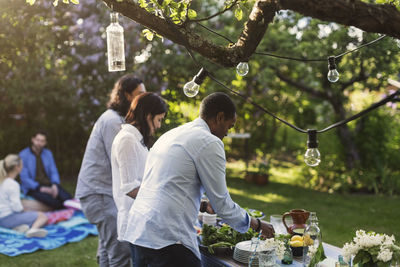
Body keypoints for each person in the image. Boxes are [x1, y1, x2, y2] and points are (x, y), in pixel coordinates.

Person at [126, 92, 275, 267]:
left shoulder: (171, 134)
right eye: (229, 126)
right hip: (168, 240)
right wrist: (256, 224)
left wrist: (203, 203)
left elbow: (166, 185)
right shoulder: (209, 142)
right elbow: (222, 204)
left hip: (138, 232)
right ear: (219, 117)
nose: (227, 133)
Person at [75, 74, 146, 267]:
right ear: (126, 95)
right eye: (139, 94)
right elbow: (125, 162)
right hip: (99, 194)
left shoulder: (118, 120)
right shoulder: (113, 122)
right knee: (120, 253)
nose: (143, 98)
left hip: (102, 194)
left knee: (108, 252)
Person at [111, 92, 167, 262]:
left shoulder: (136, 139)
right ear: (148, 116)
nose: (158, 126)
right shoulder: (127, 139)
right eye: (158, 120)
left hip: (144, 220)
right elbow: (129, 187)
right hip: (136, 221)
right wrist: (163, 199)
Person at [19, 131, 72, 210]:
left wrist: (54, 184)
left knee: (68, 198)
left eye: (42, 141)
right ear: (32, 139)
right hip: (33, 187)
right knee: (54, 202)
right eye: (37, 140)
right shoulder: (23, 155)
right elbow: (24, 178)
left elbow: (53, 171)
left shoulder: (48, 153)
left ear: (45, 143)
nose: (39, 143)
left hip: (49, 184)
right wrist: (40, 188)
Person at [0, 154, 48, 238]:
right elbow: (16, 207)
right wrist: (24, 210)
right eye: (22, 164)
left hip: (2, 220)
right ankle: (33, 230)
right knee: (42, 216)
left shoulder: (2, 181)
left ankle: (18, 228)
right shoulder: (13, 184)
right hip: (7, 219)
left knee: (27, 215)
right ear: (16, 167)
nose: (23, 167)